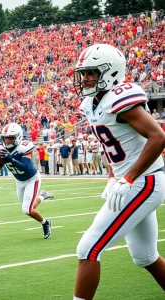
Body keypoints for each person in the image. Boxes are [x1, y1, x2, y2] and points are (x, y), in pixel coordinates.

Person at [73, 43, 165, 299]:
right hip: (134, 181)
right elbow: (111, 142)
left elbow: (158, 137)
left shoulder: (120, 98)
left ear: (110, 71)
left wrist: (128, 177)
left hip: (144, 181)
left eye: (91, 72)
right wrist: (113, 176)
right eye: (83, 73)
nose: (85, 78)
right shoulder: (93, 103)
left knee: (88, 249)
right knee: (145, 257)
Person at [0, 123, 54, 239]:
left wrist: (11, 158)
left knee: (27, 209)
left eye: (10, 137)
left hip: (32, 179)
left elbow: (25, 167)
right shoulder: (0, 148)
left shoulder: (24, 146)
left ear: (18, 137)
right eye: (6, 137)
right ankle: (43, 196)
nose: (8, 140)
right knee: (29, 206)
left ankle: (45, 223)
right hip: (19, 180)